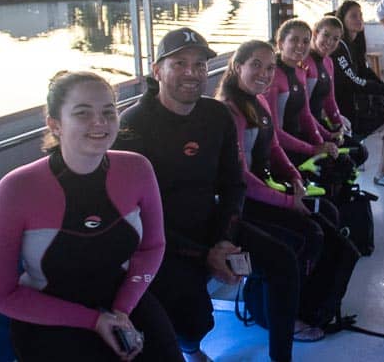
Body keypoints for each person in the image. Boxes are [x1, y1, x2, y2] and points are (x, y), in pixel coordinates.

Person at [115, 28, 300, 362]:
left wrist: (223, 241)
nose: (192, 72)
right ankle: (191, 347)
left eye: (199, 65)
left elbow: (233, 185)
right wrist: (203, 254)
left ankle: (281, 357)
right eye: (180, 63)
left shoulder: (215, 116)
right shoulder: (132, 126)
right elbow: (130, 215)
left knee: (283, 261)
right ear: (157, 71)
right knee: (196, 314)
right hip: (159, 241)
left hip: (211, 227)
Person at [0, 71, 181, 361]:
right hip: (50, 314)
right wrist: (94, 321)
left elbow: (153, 246)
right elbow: (1, 294)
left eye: (108, 111)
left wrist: (122, 310)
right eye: (83, 113)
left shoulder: (137, 169)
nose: (99, 121)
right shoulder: (17, 189)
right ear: (55, 124)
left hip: (123, 301)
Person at [218, 39, 359, 338]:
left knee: (328, 216)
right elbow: (241, 176)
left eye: (270, 67)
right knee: (306, 236)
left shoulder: (259, 101)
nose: (265, 73)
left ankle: (301, 301)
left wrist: (295, 179)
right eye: (256, 65)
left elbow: (274, 146)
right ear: (237, 66)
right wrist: (286, 202)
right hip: (240, 201)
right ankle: (271, 314)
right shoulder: (230, 112)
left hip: (262, 189)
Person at [333, 0, 384, 188]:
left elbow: (365, 72)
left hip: (357, 107)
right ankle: (383, 172)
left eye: (360, 16)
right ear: (342, 19)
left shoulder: (355, 44)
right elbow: (353, 81)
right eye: (353, 16)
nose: (359, 20)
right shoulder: (339, 48)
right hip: (347, 113)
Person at [261, 19, 339, 166]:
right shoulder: (272, 77)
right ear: (280, 43)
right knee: (334, 169)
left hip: (297, 141)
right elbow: (274, 132)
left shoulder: (301, 71)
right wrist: (313, 149)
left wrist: (324, 140)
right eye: (294, 40)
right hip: (279, 151)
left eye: (305, 41)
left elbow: (306, 115)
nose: (300, 46)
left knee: (341, 162)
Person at [306, 15, 368, 167]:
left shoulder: (328, 62)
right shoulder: (304, 62)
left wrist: (338, 125)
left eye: (335, 39)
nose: (329, 42)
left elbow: (330, 100)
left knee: (359, 152)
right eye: (326, 35)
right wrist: (324, 134)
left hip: (318, 124)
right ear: (315, 33)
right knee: (342, 164)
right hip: (307, 127)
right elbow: (302, 110)